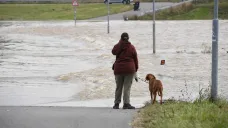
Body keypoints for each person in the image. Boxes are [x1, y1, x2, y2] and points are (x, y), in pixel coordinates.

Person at [112, 32, 138, 109]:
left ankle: (116, 104)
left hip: (118, 69)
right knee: (127, 88)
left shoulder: (117, 46)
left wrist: (120, 43)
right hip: (129, 69)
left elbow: (113, 52)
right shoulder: (132, 47)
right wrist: (135, 70)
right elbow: (135, 59)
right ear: (128, 38)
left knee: (118, 87)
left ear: (121, 38)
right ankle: (126, 104)